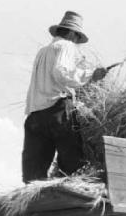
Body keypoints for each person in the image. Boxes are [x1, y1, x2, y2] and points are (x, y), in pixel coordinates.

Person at [22, 11, 108, 183]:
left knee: (34, 171)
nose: (77, 43)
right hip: (57, 111)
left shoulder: (43, 51)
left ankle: (34, 201)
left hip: (34, 115)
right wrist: (91, 75)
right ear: (71, 34)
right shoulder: (66, 46)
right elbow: (61, 72)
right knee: (71, 164)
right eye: (77, 38)